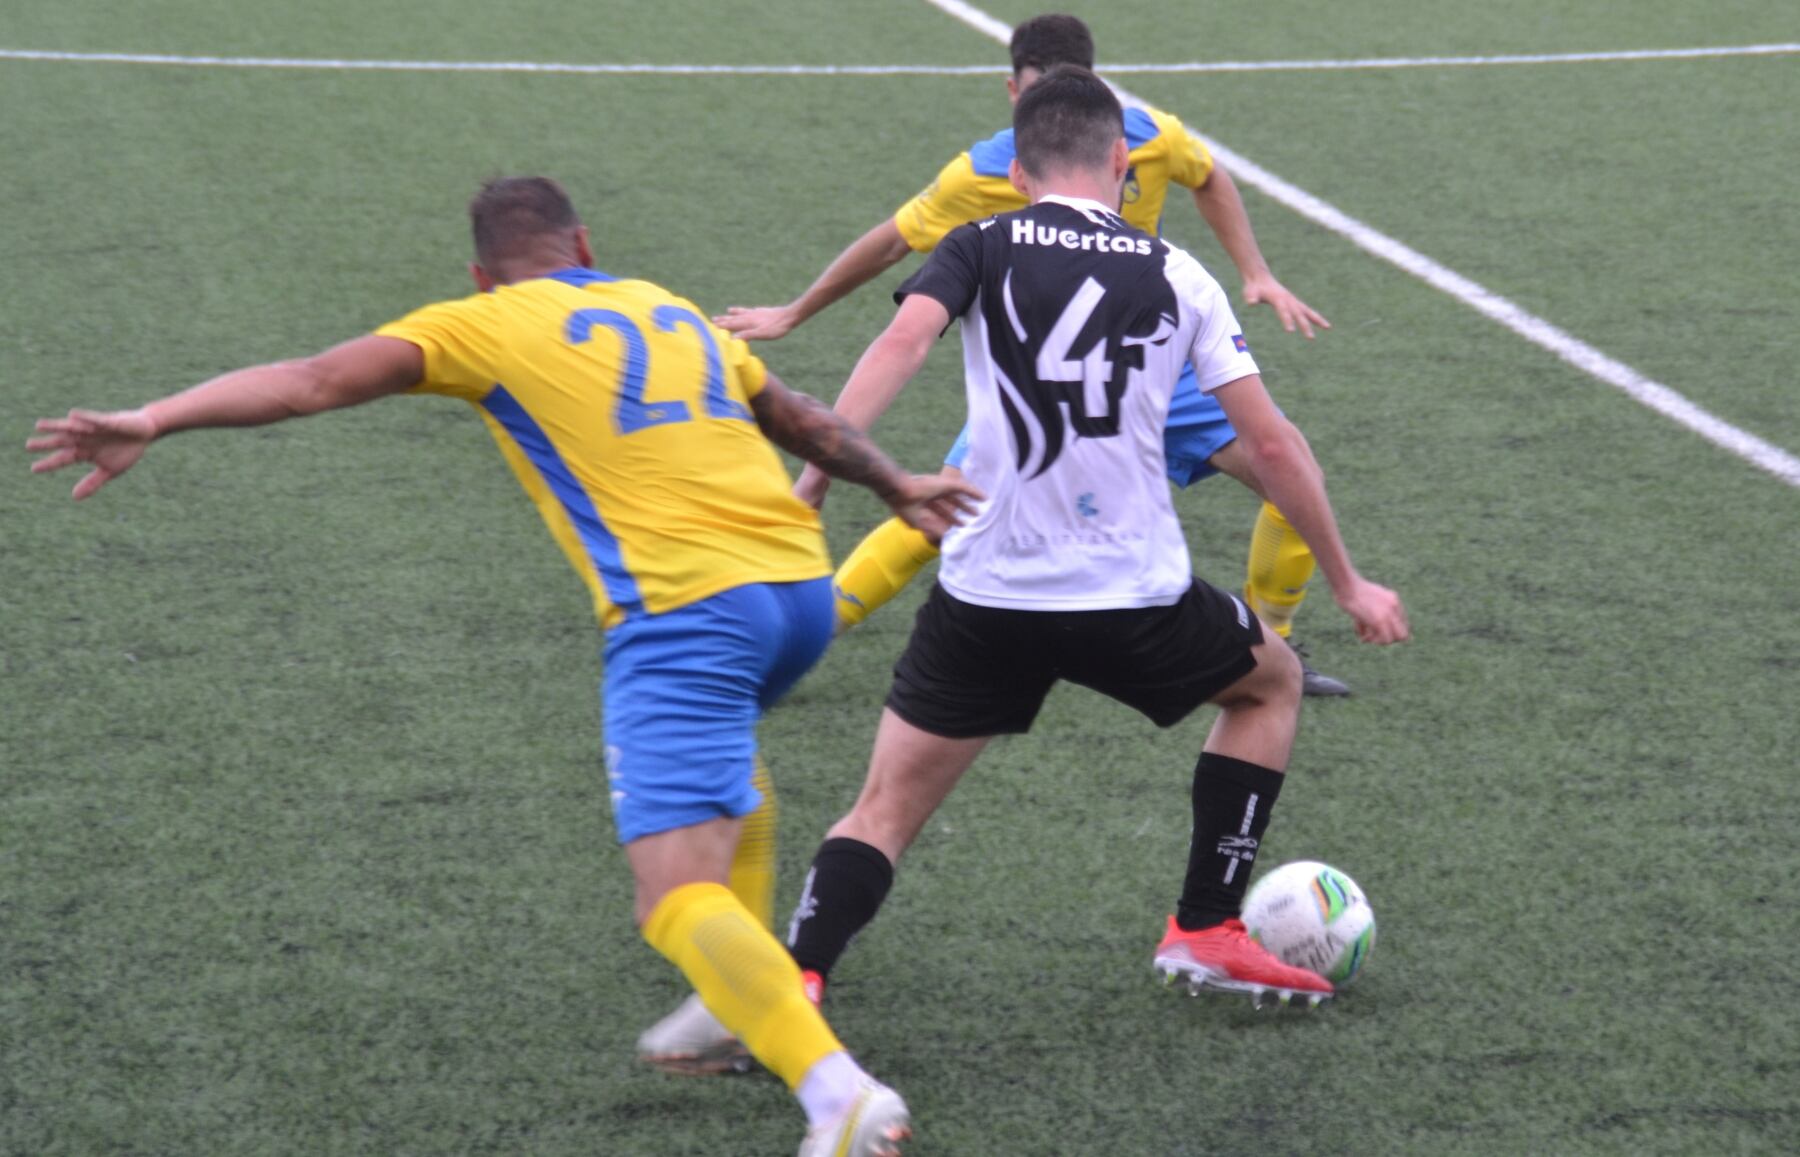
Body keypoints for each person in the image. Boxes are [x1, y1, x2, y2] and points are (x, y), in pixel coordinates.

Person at [26, 176, 979, 1157]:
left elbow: (312, 379)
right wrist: (895, 481)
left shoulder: (482, 323)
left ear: (483, 274)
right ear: (585, 242)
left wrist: (154, 415)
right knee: (721, 773)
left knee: (672, 893)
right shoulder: (666, 306)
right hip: (799, 594)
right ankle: (732, 1006)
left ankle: (837, 1091)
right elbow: (799, 415)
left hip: (688, 612)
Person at [774, 67, 1409, 1019]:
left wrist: (821, 475)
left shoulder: (975, 244)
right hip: (1132, 598)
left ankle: (799, 979)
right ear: (1122, 160)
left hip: (987, 597)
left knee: (882, 811)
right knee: (1269, 681)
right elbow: (1273, 444)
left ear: (1019, 172)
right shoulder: (1173, 270)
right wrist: (1350, 580)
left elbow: (897, 348)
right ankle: (1204, 926)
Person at [716, 13, 1351, 697]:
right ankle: (795, 645)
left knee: (1292, 477)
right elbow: (894, 243)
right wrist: (794, 311)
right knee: (944, 513)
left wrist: (1256, 270)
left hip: (1155, 361)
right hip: (1051, 371)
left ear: (1015, 90)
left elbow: (1208, 177)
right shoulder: (1027, 161)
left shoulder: (1111, 144)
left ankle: (1273, 645)